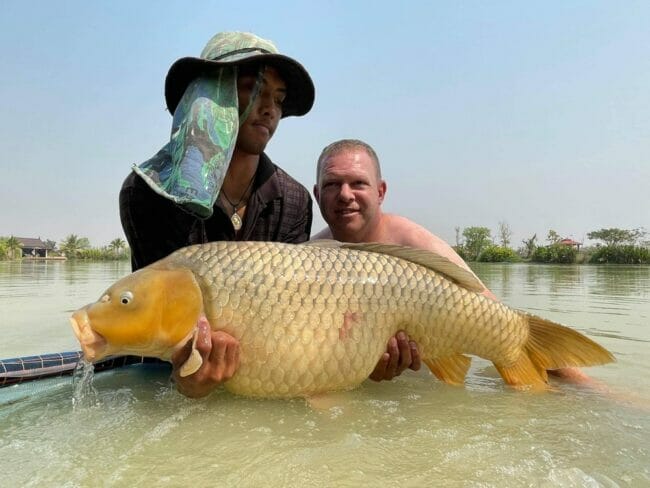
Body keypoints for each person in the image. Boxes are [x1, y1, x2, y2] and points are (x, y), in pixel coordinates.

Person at [119, 32, 315, 398]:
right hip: (161, 379)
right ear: (210, 95)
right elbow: (161, 320)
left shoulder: (295, 200)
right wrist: (186, 375)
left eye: (278, 98)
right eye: (251, 89)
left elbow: (293, 317)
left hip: (263, 374)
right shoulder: (146, 193)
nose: (270, 108)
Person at [312, 139, 591, 384]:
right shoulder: (310, 255)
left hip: (422, 390)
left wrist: (592, 390)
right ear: (317, 194)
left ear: (381, 191)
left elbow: (493, 316)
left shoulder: (413, 242)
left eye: (358, 183)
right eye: (332, 185)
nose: (345, 195)